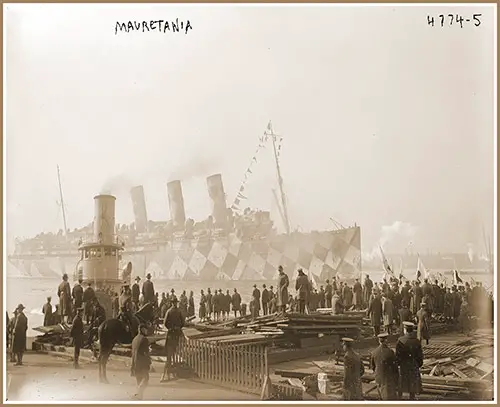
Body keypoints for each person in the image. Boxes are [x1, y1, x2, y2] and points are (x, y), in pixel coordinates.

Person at [396, 321, 423, 400]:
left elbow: (397, 355)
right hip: (413, 364)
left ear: (405, 330)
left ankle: (399, 398)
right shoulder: (416, 341)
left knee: (402, 381)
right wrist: (418, 364)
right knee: (412, 382)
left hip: (403, 364)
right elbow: (420, 356)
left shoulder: (400, 340)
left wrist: (398, 363)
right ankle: (412, 398)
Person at [161, 297, 185, 382]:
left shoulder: (169, 311)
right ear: (174, 303)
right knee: (176, 352)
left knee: (170, 354)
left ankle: (169, 373)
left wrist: (171, 328)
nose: (175, 304)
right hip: (177, 334)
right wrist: (178, 328)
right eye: (175, 302)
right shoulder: (179, 311)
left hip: (171, 334)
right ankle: (173, 372)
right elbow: (183, 322)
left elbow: (165, 323)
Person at [370, 333, 399, 400]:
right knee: (389, 397)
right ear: (386, 340)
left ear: (379, 341)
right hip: (388, 378)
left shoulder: (374, 352)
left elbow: (373, 367)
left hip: (379, 378)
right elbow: (395, 367)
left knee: (381, 396)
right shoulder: (390, 352)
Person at [131, 323, 152, 400]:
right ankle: (138, 394)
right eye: (146, 329)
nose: (147, 331)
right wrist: (149, 362)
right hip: (142, 363)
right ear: (143, 329)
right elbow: (145, 353)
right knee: (146, 379)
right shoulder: (144, 339)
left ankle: (139, 398)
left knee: (139, 380)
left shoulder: (134, 339)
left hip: (135, 363)